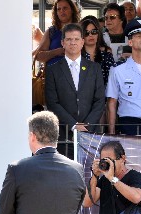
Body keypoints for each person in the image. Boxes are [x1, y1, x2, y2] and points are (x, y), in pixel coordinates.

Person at [44, 23, 105, 154]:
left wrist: (87, 126)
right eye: (69, 39)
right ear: (63, 43)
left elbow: (100, 100)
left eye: (76, 39)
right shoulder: (52, 70)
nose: (73, 42)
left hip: (90, 133)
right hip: (63, 134)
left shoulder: (94, 68)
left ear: (82, 42)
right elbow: (52, 102)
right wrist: (73, 125)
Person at [107, 19, 141, 136]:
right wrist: (111, 133)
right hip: (128, 124)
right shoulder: (118, 70)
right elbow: (111, 103)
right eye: (139, 36)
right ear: (130, 42)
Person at [34, 0, 80, 66]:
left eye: (65, 8)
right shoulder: (51, 31)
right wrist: (57, 52)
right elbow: (38, 56)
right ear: (56, 13)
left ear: (72, 10)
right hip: (53, 71)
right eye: (59, 9)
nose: (62, 11)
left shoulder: (82, 30)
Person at [81, 16, 115, 86]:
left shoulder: (106, 56)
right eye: (86, 33)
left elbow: (113, 81)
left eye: (94, 32)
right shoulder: (76, 57)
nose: (90, 35)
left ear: (98, 33)